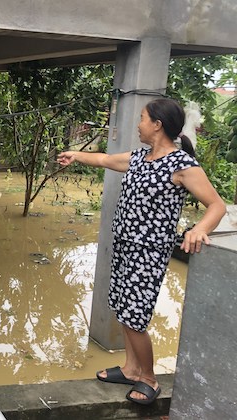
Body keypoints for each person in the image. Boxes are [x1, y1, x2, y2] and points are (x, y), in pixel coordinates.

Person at [56, 98, 226, 405]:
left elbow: (217, 205)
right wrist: (76, 155)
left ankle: (149, 378)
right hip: (124, 245)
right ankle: (131, 368)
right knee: (123, 308)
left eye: (143, 118)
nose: (138, 123)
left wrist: (199, 229)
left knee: (135, 317)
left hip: (148, 252)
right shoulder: (138, 158)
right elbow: (106, 160)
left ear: (157, 125)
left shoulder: (182, 165)